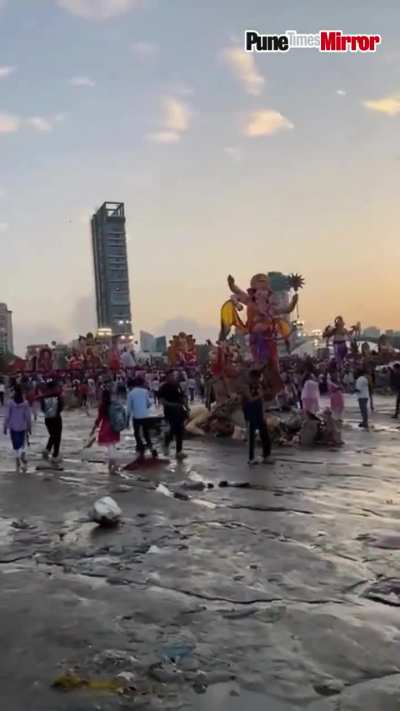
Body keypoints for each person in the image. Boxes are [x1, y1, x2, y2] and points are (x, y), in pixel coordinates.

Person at [242, 370, 272, 465]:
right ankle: (251, 458)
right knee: (251, 436)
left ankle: (266, 455)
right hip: (250, 413)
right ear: (252, 378)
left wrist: (264, 413)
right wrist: (260, 395)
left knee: (265, 434)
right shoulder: (246, 386)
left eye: (258, 379)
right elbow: (250, 399)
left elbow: (262, 401)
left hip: (259, 413)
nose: (257, 381)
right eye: (256, 379)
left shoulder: (259, 386)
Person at [158, 371, 188, 460]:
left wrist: (187, 407)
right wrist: (172, 405)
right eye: (171, 376)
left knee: (180, 431)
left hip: (180, 411)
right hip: (170, 412)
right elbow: (162, 401)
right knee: (173, 429)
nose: (173, 377)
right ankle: (166, 442)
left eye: (174, 375)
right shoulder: (163, 387)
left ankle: (179, 451)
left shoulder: (177, 386)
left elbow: (182, 397)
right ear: (167, 377)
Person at [91, 389, 120, 474]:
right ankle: (112, 464)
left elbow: (99, 419)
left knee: (110, 446)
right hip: (115, 425)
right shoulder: (113, 404)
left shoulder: (102, 405)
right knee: (112, 445)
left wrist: (93, 429)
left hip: (106, 426)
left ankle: (114, 464)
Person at [127, 377, 157, 459]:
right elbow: (149, 404)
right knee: (146, 434)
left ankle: (140, 447)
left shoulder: (130, 393)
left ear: (131, 386)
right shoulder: (145, 391)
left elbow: (129, 408)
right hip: (146, 416)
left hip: (136, 417)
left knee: (137, 433)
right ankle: (152, 448)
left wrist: (127, 420)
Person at [3, 385, 31, 472]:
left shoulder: (10, 403)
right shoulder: (25, 403)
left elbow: (7, 416)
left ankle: (18, 460)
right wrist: (29, 427)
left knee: (15, 444)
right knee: (22, 443)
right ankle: (21, 456)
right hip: (22, 427)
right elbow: (28, 417)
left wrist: (5, 426)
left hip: (13, 427)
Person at [41, 381, 64, 464]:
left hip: (47, 419)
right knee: (57, 436)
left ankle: (47, 450)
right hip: (56, 418)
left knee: (53, 435)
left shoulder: (44, 397)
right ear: (54, 387)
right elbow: (61, 407)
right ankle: (55, 455)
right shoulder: (58, 396)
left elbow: (43, 409)